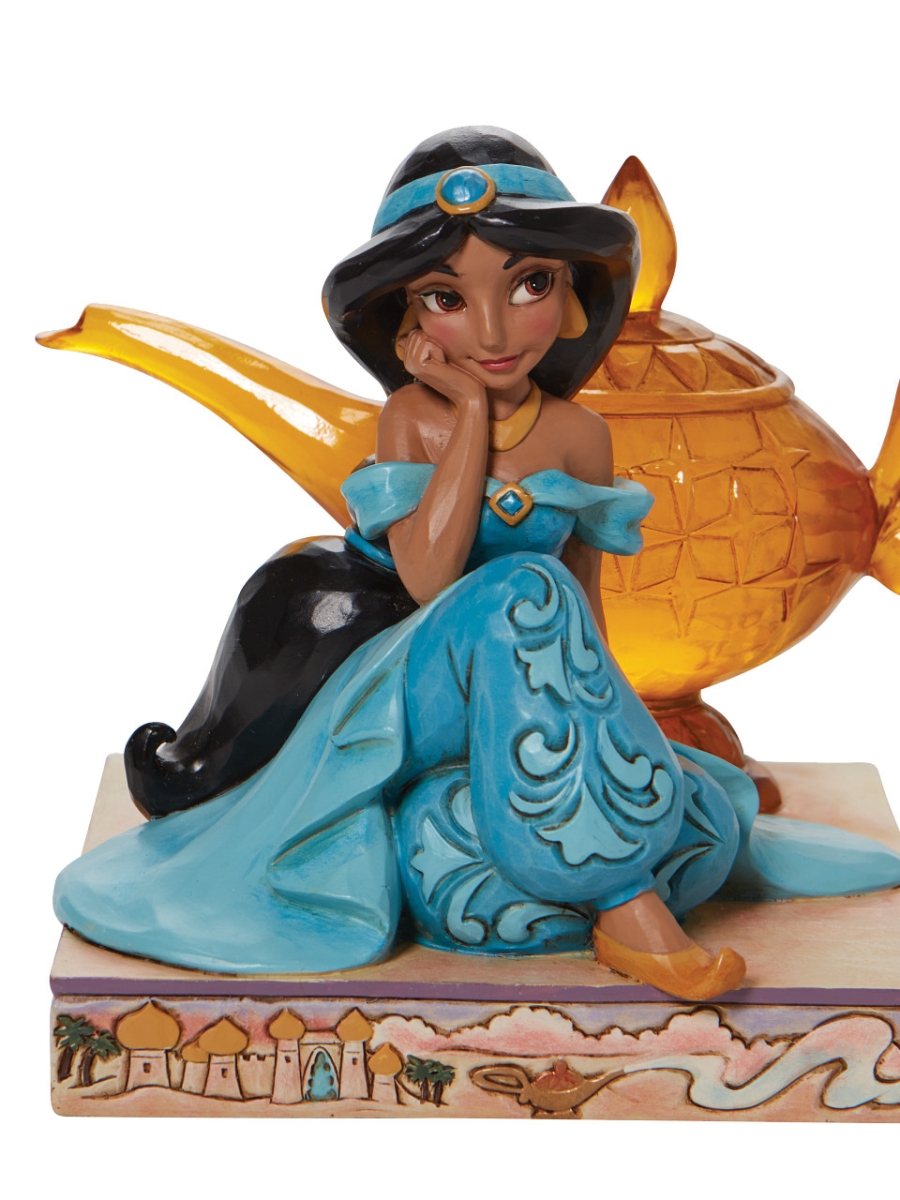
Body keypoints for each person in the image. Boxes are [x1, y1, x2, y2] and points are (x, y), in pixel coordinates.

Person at [54, 127, 900, 999]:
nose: (493, 330)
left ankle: (579, 863)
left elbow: (586, 607)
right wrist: (464, 414)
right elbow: (429, 579)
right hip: (414, 680)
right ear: (408, 319)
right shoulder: (411, 422)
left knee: (660, 815)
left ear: (573, 298)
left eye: (529, 284)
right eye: (447, 297)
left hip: (520, 698)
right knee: (519, 586)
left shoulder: (581, 436)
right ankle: (625, 904)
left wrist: (619, 733)